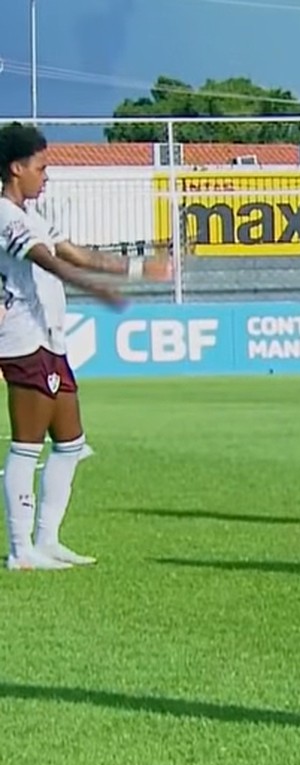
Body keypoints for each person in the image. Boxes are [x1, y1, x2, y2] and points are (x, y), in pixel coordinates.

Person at [0, 122, 171, 570]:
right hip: (23, 337)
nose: (47, 175)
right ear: (16, 168)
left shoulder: (33, 215)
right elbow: (49, 263)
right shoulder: (6, 216)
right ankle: (21, 551)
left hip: (50, 338)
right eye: (41, 167)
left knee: (71, 442)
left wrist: (136, 272)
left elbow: (78, 254)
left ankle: (48, 539)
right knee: (27, 445)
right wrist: (99, 291)